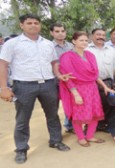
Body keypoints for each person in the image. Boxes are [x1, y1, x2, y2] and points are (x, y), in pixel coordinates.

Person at [0, 14, 70, 164]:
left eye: (36, 23)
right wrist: (3, 87)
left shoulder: (47, 44)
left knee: (53, 115)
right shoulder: (12, 43)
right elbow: (3, 65)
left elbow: (53, 62)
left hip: (48, 84)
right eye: (29, 23)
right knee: (22, 119)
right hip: (24, 85)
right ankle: (21, 149)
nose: (33, 25)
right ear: (22, 25)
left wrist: (58, 75)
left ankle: (56, 140)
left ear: (40, 25)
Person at [59, 31, 106, 147]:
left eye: (86, 40)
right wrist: (75, 93)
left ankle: (90, 135)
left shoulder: (90, 55)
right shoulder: (67, 57)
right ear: (74, 41)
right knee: (78, 114)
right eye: (81, 40)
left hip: (92, 88)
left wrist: (105, 86)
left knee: (95, 111)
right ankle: (80, 137)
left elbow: (95, 74)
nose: (84, 42)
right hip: (77, 89)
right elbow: (67, 77)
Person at [86, 28, 115, 132]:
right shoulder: (86, 50)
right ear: (92, 36)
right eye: (98, 34)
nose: (101, 37)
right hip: (91, 82)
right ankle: (89, 126)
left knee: (107, 104)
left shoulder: (110, 49)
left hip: (108, 81)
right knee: (92, 104)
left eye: (103, 35)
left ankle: (102, 124)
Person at [50, 23, 74, 133]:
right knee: (53, 106)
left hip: (69, 80)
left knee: (71, 103)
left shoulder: (71, 46)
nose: (60, 33)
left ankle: (70, 125)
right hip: (53, 80)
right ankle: (55, 133)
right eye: (57, 31)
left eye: (62, 31)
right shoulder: (48, 46)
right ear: (52, 33)